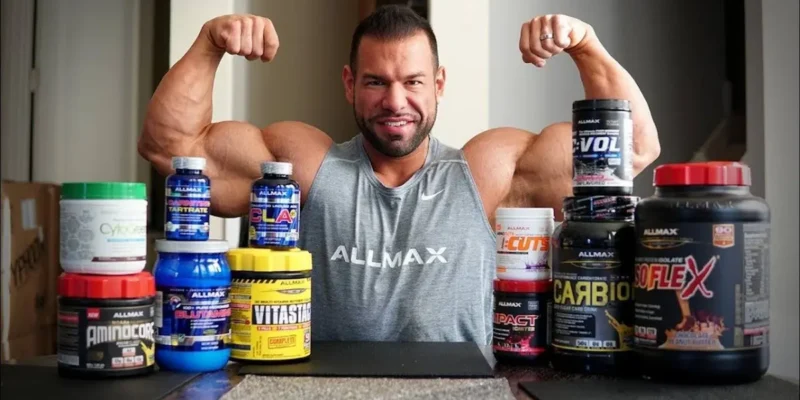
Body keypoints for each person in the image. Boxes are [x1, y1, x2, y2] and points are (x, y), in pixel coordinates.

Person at [138, 5, 660, 346]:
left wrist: (586, 46)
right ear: (349, 84)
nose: (395, 101)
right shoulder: (305, 167)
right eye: (375, 82)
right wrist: (209, 44)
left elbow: (633, 149)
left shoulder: (486, 172)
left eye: (412, 81)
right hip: (324, 391)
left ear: (438, 83)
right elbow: (171, 149)